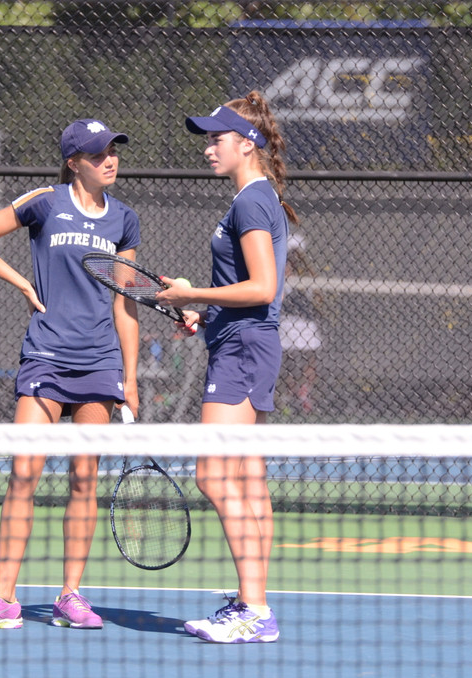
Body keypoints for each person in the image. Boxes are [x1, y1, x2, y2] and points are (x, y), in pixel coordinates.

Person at [0, 119, 141, 631]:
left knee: (85, 478)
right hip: (46, 356)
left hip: (100, 361)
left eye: (114, 151)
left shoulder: (125, 219)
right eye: (99, 153)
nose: (111, 159)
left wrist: (131, 377)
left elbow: (126, 303)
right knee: (24, 474)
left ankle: (70, 596)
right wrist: (21, 284)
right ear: (74, 161)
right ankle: (3, 600)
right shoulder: (45, 202)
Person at [156, 92, 297, 644]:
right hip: (243, 340)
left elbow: (264, 288)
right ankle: (251, 602)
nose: (209, 148)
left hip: (243, 347)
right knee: (248, 480)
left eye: (217, 138)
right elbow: (252, 293)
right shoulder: (257, 199)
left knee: (213, 475)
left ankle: (255, 609)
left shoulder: (251, 202)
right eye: (208, 138)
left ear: (247, 143)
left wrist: (193, 291)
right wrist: (204, 311)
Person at [278, 234, 322, 415]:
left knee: (307, 358)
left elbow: (317, 299)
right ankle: (291, 393)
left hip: (304, 322)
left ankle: (300, 392)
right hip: (288, 323)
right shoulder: (281, 269)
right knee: (291, 360)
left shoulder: (307, 274)